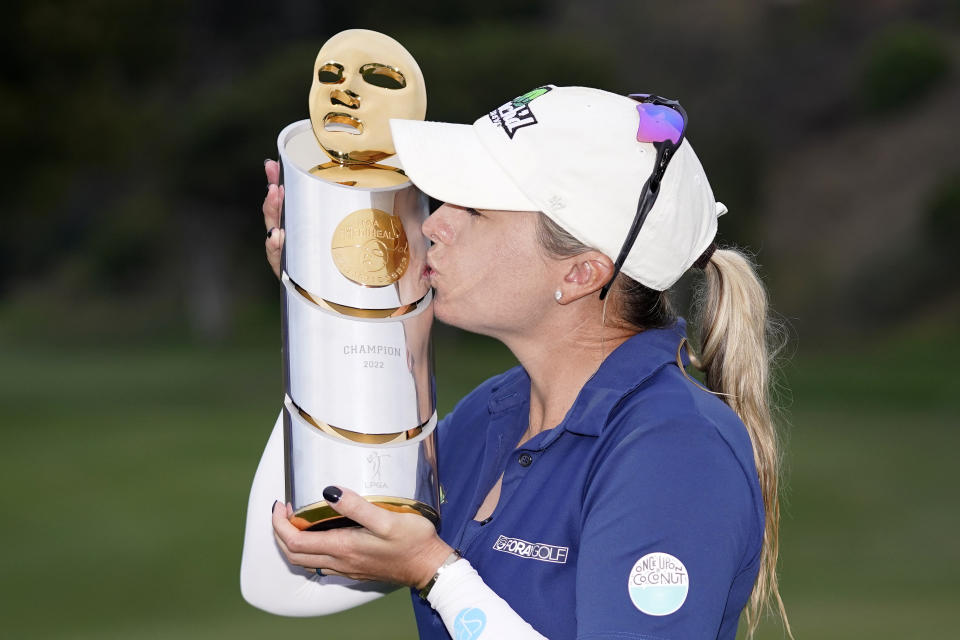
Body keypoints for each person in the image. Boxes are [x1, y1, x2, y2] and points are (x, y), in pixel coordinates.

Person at [243, 85, 791, 639]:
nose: (434, 224)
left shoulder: (676, 451)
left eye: (475, 209)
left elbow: (417, 571)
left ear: (580, 273)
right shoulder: (495, 412)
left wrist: (436, 575)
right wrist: (339, 314)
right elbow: (288, 577)